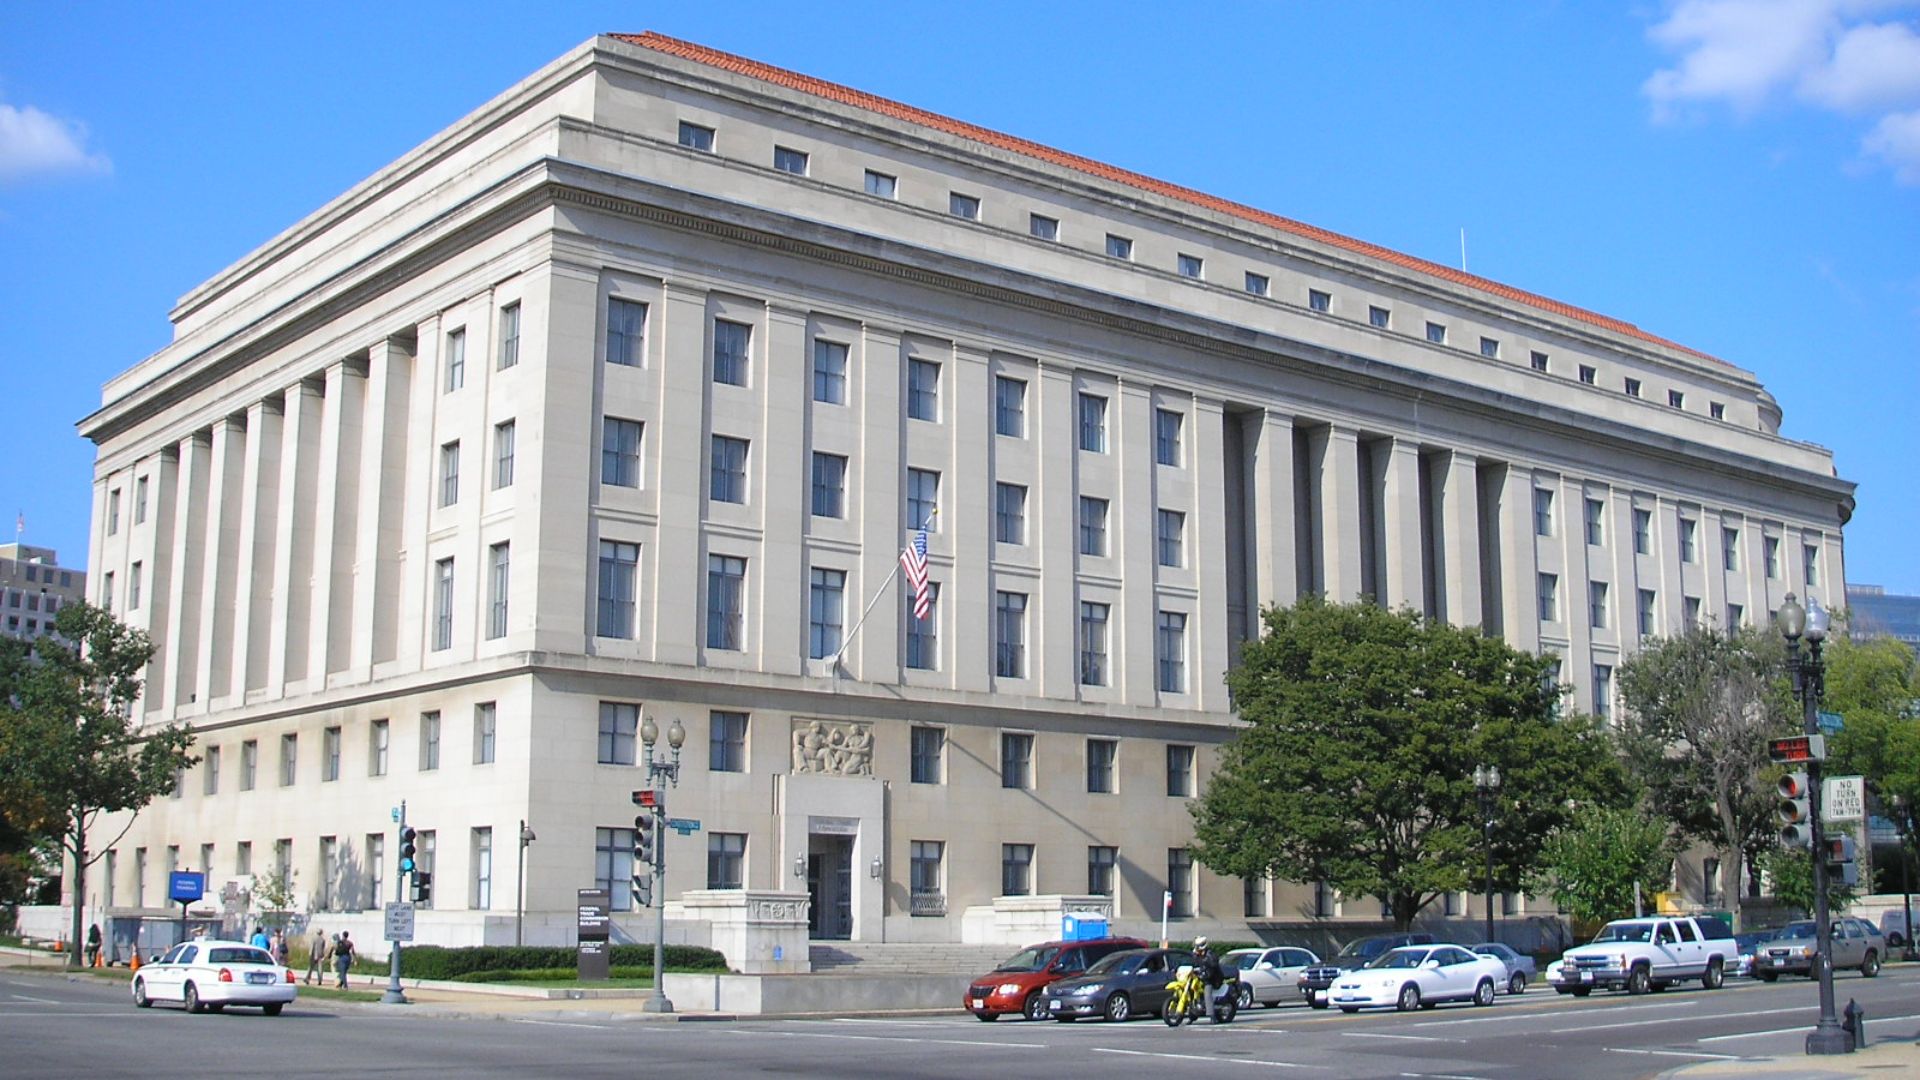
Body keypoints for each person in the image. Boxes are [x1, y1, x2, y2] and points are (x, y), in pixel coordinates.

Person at [1193, 936, 1227, 1019]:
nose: (1196, 948)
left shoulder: (1210, 955)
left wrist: (1205, 972)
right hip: (1203, 977)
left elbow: (1213, 966)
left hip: (1213, 979)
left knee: (1207, 992)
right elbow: (1194, 964)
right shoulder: (1197, 955)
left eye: (1198, 946)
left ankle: (1211, 1015)